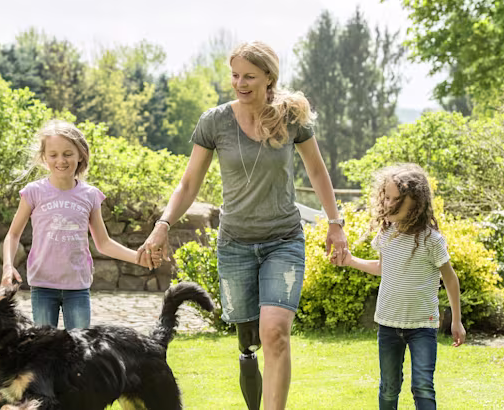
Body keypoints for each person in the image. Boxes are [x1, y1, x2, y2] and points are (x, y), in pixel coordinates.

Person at [138, 41, 348, 410]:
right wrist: (164, 223)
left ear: (269, 77)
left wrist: (335, 223)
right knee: (249, 341)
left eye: (249, 76)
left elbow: (316, 170)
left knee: (275, 333)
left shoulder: (291, 118)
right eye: (235, 75)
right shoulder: (214, 121)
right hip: (235, 244)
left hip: (283, 239)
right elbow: (189, 184)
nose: (240, 83)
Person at [331, 163, 466, 410]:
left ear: (415, 202)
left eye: (397, 199)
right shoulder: (386, 234)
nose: (389, 204)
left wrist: (456, 320)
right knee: (389, 387)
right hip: (388, 325)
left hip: (422, 326)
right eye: (387, 198)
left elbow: (450, 278)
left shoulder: (431, 240)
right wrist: (349, 260)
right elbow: (383, 267)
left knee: (423, 386)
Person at [1, 120, 154, 330]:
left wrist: (138, 258)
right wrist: (7, 267)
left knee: (82, 350)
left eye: (67, 154)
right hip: (43, 285)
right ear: (44, 158)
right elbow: (13, 234)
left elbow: (104, 243)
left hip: (77, 287)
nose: (61, 160)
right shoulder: (33, 192)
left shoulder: (90, 195)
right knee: (46, 351)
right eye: (53, 155)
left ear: (80, 154)